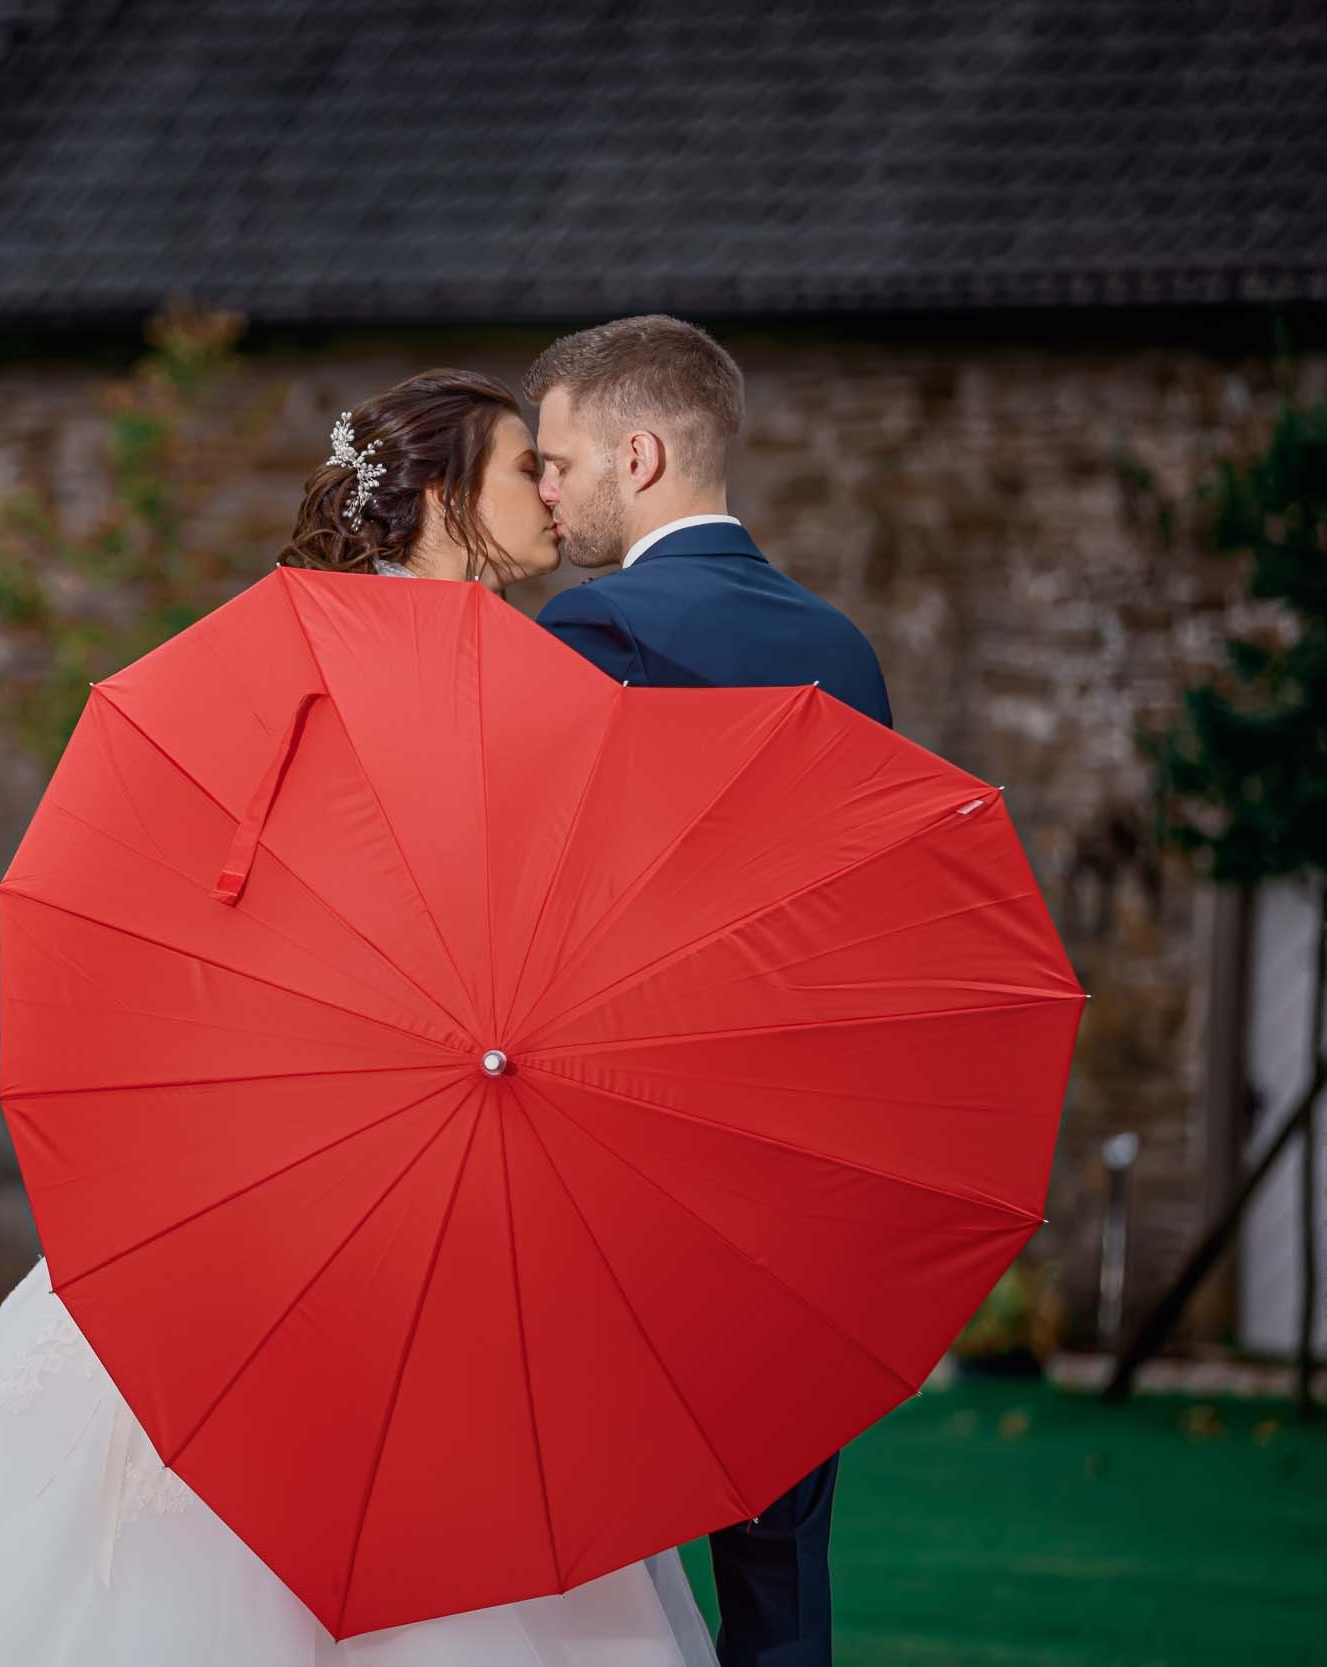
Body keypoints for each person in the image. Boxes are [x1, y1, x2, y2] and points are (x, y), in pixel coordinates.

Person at [0, 368, 717, 1667]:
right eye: (524, 470)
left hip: (366, 1131)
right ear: (445, 495)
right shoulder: (451, 674)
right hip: (358, 1132)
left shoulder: (320, 654)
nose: (555, 498)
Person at [525, 314, 892, 1667]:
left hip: (633, 1155)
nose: (546, 492)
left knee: (566, 1509)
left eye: (560, 462)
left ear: (640, 455)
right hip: (803, 1159)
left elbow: (544, 899)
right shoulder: (842, 649)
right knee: (779, 1548)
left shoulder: (601, 629)